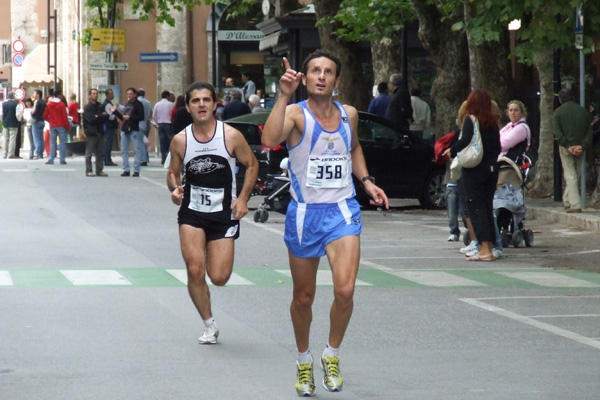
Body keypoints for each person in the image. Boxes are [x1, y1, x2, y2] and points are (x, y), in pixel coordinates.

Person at [262, 51, 389, 396]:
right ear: (304, 78)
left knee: (345, 290)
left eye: (328, 71)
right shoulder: (294, 114)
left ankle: (331, 353)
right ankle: (304, 361)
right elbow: (269, 140)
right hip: (305, 214)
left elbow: (354, 149)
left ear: (337, 80)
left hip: (342, 210)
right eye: (315, 71)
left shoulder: (349, 115)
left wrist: (366, 182)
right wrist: (283, 95)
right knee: (304, 298)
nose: (321, 76)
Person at [166, 81, 258, 345]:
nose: (202, 105)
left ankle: (210, 247)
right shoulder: (180, 140)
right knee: (195, 269)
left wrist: (242, 199)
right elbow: (172, 173)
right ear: (188, 106)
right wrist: (174, 189)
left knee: (218, 277)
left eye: (207, 100)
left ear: (216, 104)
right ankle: (209, 324)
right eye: (196, 101)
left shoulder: (230, 136)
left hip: (223, 213)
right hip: (192, 212)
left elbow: (251, 165)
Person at [444, 89, 501, 261]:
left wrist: (451, 151)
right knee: (487, 207)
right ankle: (490, 246)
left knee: (476, 208)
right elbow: (498, 147)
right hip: (492, 170)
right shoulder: (493, 122)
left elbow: (465, 140)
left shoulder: (470, 119)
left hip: (475, 171)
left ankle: (484, 248)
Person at [552, 89, 593, 213]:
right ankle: (567, 200)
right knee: (575, 173)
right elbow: (589, 131)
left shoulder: (558, 113)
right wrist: (582, 146)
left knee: (570, 175)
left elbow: (557, 133)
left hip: (566, 147)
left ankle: (575, 204)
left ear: (560, 99)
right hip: (580, 147)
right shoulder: (583, 112)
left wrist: (567, 145)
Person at [112, 87, 145, 177]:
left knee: (136, 150)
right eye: (128, 94)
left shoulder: (139, 104)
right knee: (124, 150)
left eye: (130, 94)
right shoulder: (127, 104)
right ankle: (126, 169)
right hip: (125, 129)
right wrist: (115, 112)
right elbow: (123, 117)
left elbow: (141, 117)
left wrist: (130, 118)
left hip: (134, 129)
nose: (129, 96)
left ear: (135, 95)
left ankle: (136, 170)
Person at [83, 88, 109, 177]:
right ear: (90, 95)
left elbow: (106, 117)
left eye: (96, 93)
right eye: (93, 93)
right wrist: (99, 117)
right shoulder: (87, 107)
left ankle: (99, 170)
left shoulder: (100, 106)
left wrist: (99, 117)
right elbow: (91, 119)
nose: (95, 95)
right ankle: (89, 170)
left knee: (100, 153)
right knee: (89, 153)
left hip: (100, 131)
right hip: (91, 132)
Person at [43, 89, 70, 165]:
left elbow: (45, 115)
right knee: (62, 143)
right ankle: (62, 159)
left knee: (52, 143)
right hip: (61, 125)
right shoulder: (61, 104)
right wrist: (67, 126)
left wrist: (50, 120)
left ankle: (51, 159)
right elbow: (64, 116)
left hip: (53, 126)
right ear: (59, 95)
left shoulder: (50, 104)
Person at [152, 90, 175, 165]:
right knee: (170, 141)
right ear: (167, 96)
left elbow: (154, 116)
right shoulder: (171, 104)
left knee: (162, 142)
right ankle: (170, 158)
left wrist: (157, 123)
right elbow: (173, 115)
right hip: (169, 124)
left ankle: (163, 158)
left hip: (161, 124)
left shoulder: (157, 104)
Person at [101, 88, 119, 166]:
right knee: (108, 142)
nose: (113, 95)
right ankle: (107, 159)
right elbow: (110, 116)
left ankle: (106, 158)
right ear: (108, 95)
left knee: (108, 142)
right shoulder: (108, 104)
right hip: (109, 126)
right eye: (111, 94)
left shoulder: (108, 103)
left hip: (109, 126)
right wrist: (115, 110)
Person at [1, 92, 20, 159]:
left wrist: (3, 120)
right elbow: (18, 115)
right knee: (12, 139)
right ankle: (10, 154)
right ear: (13, 96)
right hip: (13, 123)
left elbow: (1, 114)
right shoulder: (16, 104)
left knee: (5, 139)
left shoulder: (4, 104)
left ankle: (4, 153)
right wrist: (19, 120)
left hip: (5, 123)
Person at [137, 88, 152, 166]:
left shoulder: (137, 102)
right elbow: (151, 112)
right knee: (145, 141)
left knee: (141, 142)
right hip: (146, 124)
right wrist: (149, 118)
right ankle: (146, 157)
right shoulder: (148, 102)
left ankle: (143, 159)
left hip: (139, 124)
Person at [31, 90, 47, 159]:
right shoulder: (43, 102)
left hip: (36, 121)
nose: (33, 94)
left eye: (34, 93)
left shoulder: (37, 101)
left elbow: (35, 111)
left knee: (36, 138)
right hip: (42, 120)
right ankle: (41, 153)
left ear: (38, 94)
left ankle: (38, 153)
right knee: (41, 138)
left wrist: (31, 113)